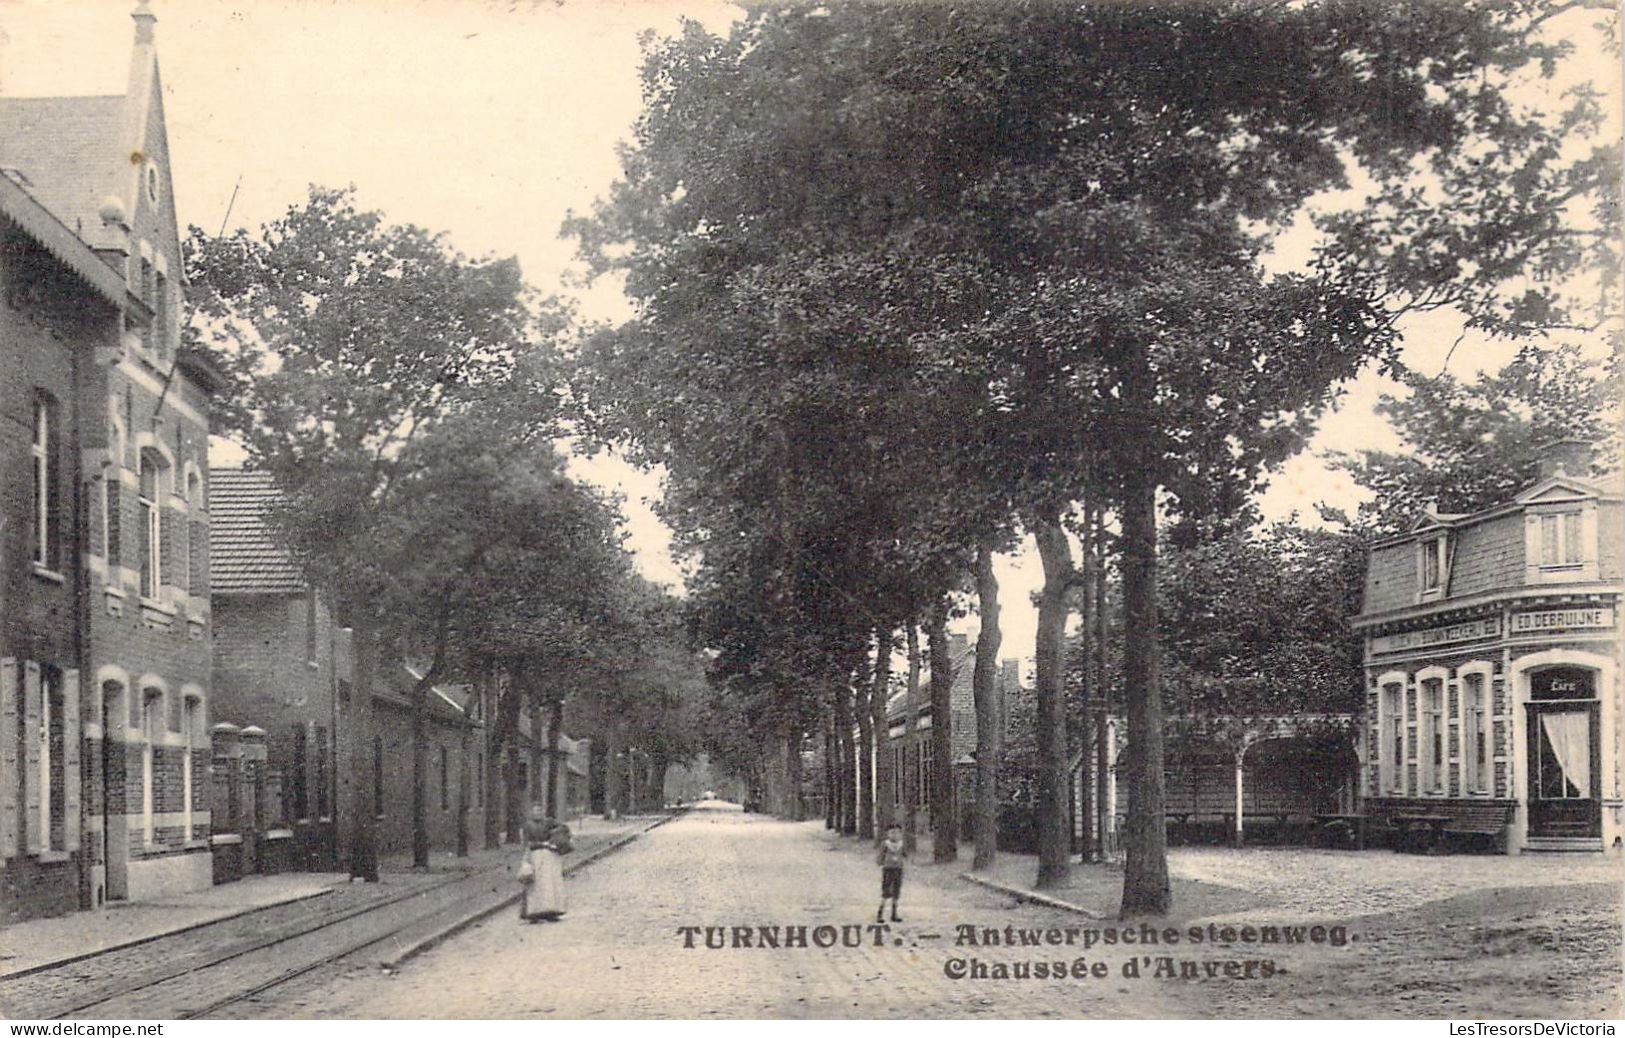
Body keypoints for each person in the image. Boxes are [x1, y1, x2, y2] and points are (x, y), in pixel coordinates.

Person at [518, 803, 572, 923]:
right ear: (531, 813)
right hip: (535, 856)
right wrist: (542, 844)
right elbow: (527, 844)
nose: (537, 813)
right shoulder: (527, 826)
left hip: (549, 856)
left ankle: (551, 911)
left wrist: (559, 837)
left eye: (540, 811)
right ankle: (534, 913)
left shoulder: (548, 822)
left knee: (551, 884)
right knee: (536, 885)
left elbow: (563, 827)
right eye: (535, 811)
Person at [876, 823, 906, 924]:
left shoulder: (901, 844)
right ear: (888, 834)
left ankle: (894, 913)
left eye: (897, 833)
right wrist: (881, 863)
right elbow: (880, 856)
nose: (895, 835)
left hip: (898, 869)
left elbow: (905, 854)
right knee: (886, 890)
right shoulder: (885, 844)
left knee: (896, 890)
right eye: (892, 833)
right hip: (888, 869)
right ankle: (880, 913)